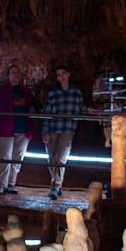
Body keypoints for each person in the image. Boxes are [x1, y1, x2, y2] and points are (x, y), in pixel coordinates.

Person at [42, 65, 84, 199]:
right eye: (59, 75)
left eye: (63, 73)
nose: (61, 76)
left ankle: (56, 186)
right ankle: (56, 185)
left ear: (68, 74)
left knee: (61, 158)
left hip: (67, 128)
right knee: (51, 158)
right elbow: (47, 112)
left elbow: (80, 108)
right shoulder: (53, 93)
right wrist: (45, 130)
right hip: (53, 127)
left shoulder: (76, 92)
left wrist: (88, 110)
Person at [0, 63, 34, 195]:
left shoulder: (26, 91)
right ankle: (1, 184)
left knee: (17, 158)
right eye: (13, 72)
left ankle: (11, 183)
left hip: (22, 129)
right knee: (4, 157)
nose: (15, 75)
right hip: (5, 128)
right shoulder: (1, 90)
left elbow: (33, 104)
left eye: (17, 72)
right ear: (8, 75)